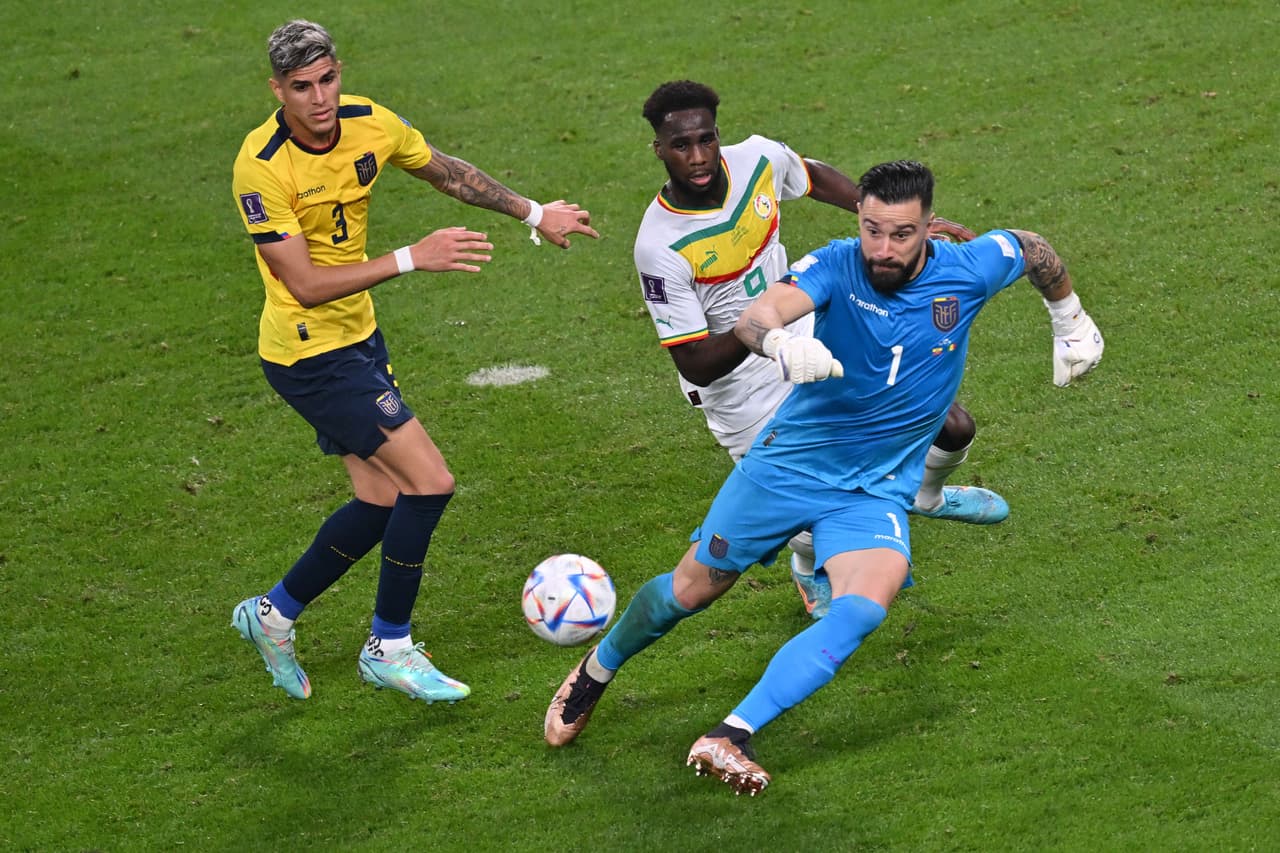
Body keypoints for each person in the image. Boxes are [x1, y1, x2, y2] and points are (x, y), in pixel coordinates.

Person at [546, 160, 1103, 795]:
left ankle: (729, 736)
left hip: (871, 490)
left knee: (863, 608)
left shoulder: (969, 269)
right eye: (871, 229)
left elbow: (1033, 247)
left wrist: (1071, 319)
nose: (882, 249)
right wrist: (779, 344)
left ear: (929, 228)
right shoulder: (837, 263)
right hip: (788, 468)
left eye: (901, 234)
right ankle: (596, 669)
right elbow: (759, 315)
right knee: (690, 591)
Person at [229, 20, 598, 704]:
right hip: (308, 354)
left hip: (358, 341)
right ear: (277, 89)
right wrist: (411, 257)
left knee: (380, 499)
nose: (319, 99)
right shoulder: (261, 166)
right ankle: (388, 646)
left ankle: (272, 613)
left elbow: (448, 173)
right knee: (430, 482)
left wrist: (534, 212)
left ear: (341, 72)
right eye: (302, 87)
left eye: (328, 80)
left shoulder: (371, 123)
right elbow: (303, 285)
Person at [632, 81, 1006, 621]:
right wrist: (762, 331)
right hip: (743, 389)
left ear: (719, 136)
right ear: (659, 150)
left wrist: (888, 225)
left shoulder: (758, 158)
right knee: (809, 512)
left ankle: (927, 494)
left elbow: (808, 175)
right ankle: (807, 568)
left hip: (814, 335)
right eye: (680, 146)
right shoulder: (659, 245)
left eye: (706, 140)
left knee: (949, 424)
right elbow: (695, 365)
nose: (697, 157)